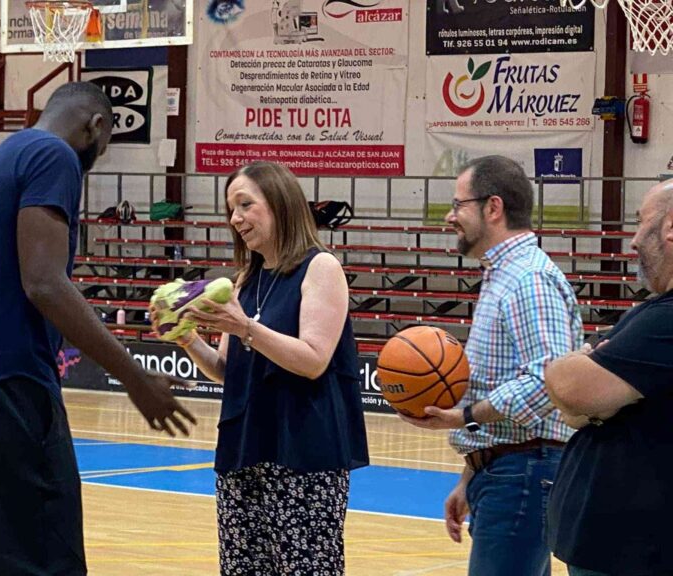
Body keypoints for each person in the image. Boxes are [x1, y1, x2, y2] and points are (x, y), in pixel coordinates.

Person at [0, 81, 196, 576]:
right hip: (7, 388)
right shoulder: (54, 156)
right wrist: (136, 380)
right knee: (46, 562)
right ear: (97, 125)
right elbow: (44, 283)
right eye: (107, 141)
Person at [166, 161, 369, 575]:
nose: (236, 218)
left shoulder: (321, 268)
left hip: (304, 451)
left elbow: (313, 360)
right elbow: (227, 370)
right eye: (230, 210)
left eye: (245, 205)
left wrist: (245, 326)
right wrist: (185, 336)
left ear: (280, 204)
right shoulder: (243, 280)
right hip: (245, 448)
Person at [398, 155, 583, 576]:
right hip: (507, 469)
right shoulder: (506, 275)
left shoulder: (528, 280)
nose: (450, 216)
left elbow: (546, 382)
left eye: (459, 204)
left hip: (522, 474)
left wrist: (464, 416)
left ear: (493, 208)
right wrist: (469, 474)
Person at [545, 179, 673, 576]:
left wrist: (585, 369)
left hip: (635, 555)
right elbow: (573, 410)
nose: (633, 240)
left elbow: (570, 388)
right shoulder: (652, 312)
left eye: (640, 221)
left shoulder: (665, 321)